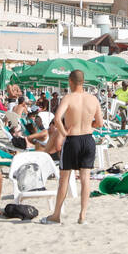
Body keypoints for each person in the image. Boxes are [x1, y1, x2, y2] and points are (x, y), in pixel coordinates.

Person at [44, 69, 103, 225]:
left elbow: (57, 118)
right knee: (85, 178)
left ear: (70, 81)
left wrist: (63, 133)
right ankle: (82, 215)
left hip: (72, 139)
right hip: (88, 139)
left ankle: (56, 215)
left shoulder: (68, 98)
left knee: (64, 179)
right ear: (83, 82)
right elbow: (100, 123)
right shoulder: (93, 99)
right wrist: (89, 125)